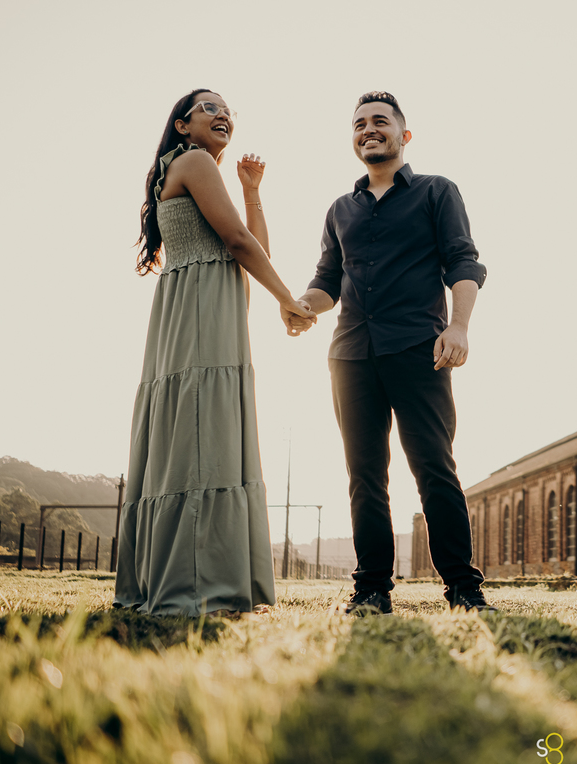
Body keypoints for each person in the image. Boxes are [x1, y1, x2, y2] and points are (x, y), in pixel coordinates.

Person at [290, 91, 494, 615]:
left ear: (405, 135)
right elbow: (326, 283)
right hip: (350, 355)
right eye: (359, 123)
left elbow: (464, 263)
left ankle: (464, 590)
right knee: (364, 474)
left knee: (434, 467)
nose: (368, 129)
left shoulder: (436, 191)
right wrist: (302, 306)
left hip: (418, 351)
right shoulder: (340, 209)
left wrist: (460, 327)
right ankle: (371, 588)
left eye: (380, 121)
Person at [115, 89, 314, 615]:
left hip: (196, 310)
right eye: (209, 107)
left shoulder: (190, 167)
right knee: (206, 433)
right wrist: (287, 299)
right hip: (203, 310)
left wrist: (252, 189)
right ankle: (198, 584)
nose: (223, 113)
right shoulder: (195, 160)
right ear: (182, 125)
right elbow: (239, 245)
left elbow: (254, 244)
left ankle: (184, 574)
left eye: (229, 109)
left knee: (196, 433)